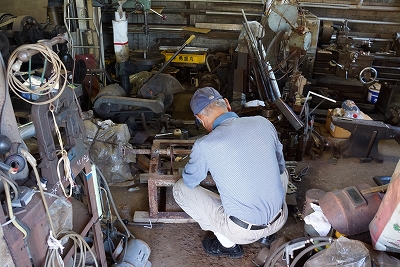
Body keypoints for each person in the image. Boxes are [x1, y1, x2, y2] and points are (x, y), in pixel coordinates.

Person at [173, 86, 289, 258]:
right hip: (280, 217)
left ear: (200, 118)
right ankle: (267, 235)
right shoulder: (264, 123)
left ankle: (227, 244)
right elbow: (279, 166)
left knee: (180, 189)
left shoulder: (205, 144)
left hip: (242, 232)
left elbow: (190, 181)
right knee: (283, 172)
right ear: (227, 104)